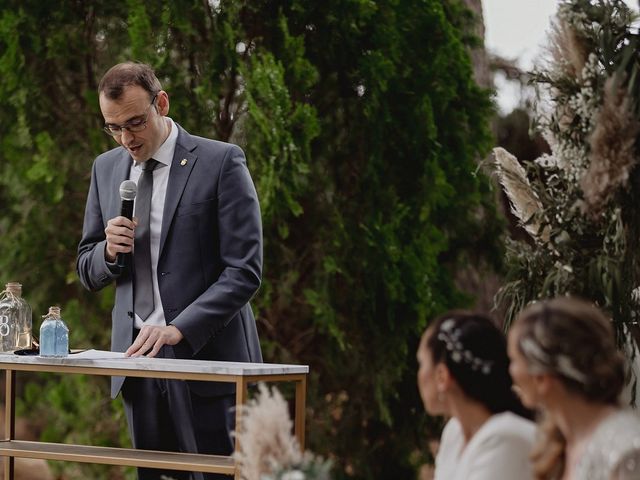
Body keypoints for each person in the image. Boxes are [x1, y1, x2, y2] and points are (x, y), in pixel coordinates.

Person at [77, 61, 263, 480]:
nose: (126, 138)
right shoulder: (105, 169)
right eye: (113, 127)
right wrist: (108, 252)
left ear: (161, 103)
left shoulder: (221, 162)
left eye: (136, 122)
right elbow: (86, 266)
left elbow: (244, 271)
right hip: (137, 370)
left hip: (209, 365)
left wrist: (180, 327)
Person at [508, 297, 640, 480]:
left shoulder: (626, 452)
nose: (510, 371)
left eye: (514, 360)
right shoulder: (560, 442)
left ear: (542, 377)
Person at [417, 311, 535, 480]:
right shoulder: (454, 432)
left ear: (442, 376)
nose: (419, 375)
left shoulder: (505, 438)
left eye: (421, 363)